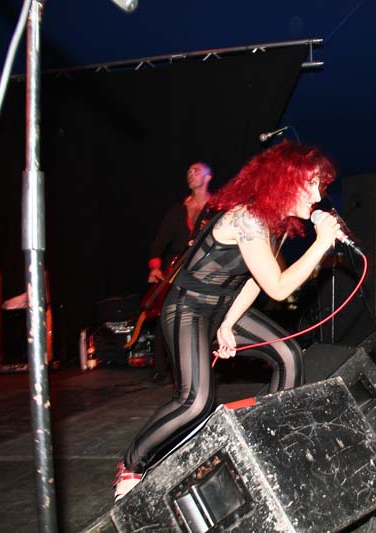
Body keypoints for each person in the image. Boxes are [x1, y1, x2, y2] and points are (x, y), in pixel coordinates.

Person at [113, 141, 341, 501]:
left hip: (221, 308)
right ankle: (131, 464)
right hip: (188, 307)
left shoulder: (272, 221)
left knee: (289, 354)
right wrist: (321, 243)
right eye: (311, 183)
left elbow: (254, 281)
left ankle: (265, 445)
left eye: (320, 185)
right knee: (195, 401)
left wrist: (228, 323)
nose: (318, 195)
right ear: (284, 180)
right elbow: (278, 288)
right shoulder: (248, 218)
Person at [146, 162, 215, 383]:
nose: (190, 174)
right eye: (188, 172)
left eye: (196, 171)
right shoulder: (177, 211)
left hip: (204, 270)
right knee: (166, 313)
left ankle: (202, 366)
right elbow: (158, 244)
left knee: (202, 317)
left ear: (208, 177)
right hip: (176, 270)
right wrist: (155, 267)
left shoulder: (216, 208)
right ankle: (160, 368)